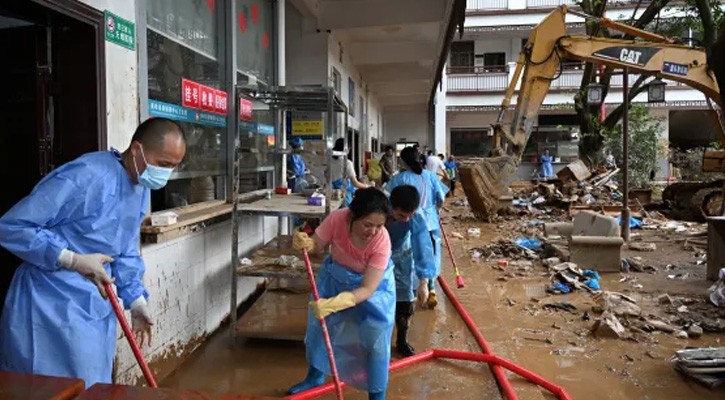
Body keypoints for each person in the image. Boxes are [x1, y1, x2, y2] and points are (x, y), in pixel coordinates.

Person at [0, 118, 186, 387]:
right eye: (163, 164)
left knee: (89, 386)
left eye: (173, 167)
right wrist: (71, 259)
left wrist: (136, 302)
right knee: (44, 388)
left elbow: (124, 250)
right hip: (46, 304)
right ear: (137, 149)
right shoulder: (86, 175)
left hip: (93, 305)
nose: (166, 174)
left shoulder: (139, 188)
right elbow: (13, 226)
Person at [290, 188, 394, 400]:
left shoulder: (382, 241)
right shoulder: (337, 219)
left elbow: (367, 288)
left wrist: (338, 303)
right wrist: (307, 243)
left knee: (375, 339)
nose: (373, 231)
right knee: (322, 329)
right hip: (334, 279)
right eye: (367, 224)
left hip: (373, 290)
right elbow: (317, 246)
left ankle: (377, 394)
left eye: (379, 226)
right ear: (353, 216)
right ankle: (314, 377)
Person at [385, 147, 448, 309]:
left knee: (407, 255)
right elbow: (441, 198)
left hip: (405, 221)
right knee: (429, 252)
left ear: (403, 161)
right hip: (430, 220)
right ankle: (429, 288)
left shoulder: (400, 179)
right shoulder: (431, 176)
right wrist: (435, 211)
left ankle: (411, 291)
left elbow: (386, 198)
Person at [386, 186, 436, 358]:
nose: (405, 220)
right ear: (390, 206)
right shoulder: (378, 208)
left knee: (405, 303)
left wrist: (424, 282)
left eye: (409, 216)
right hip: (374, 256)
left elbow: (423, 248)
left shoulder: (417, 217)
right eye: (400, 216)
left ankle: (402, 341)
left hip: (401, 258)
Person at [331, 138, 369, 206]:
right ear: (346, 148)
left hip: (331, 195)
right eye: (349, 148)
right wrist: (367, 186)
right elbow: (355, 183)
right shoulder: (347, 163)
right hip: (343, 196)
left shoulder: (330, 161)